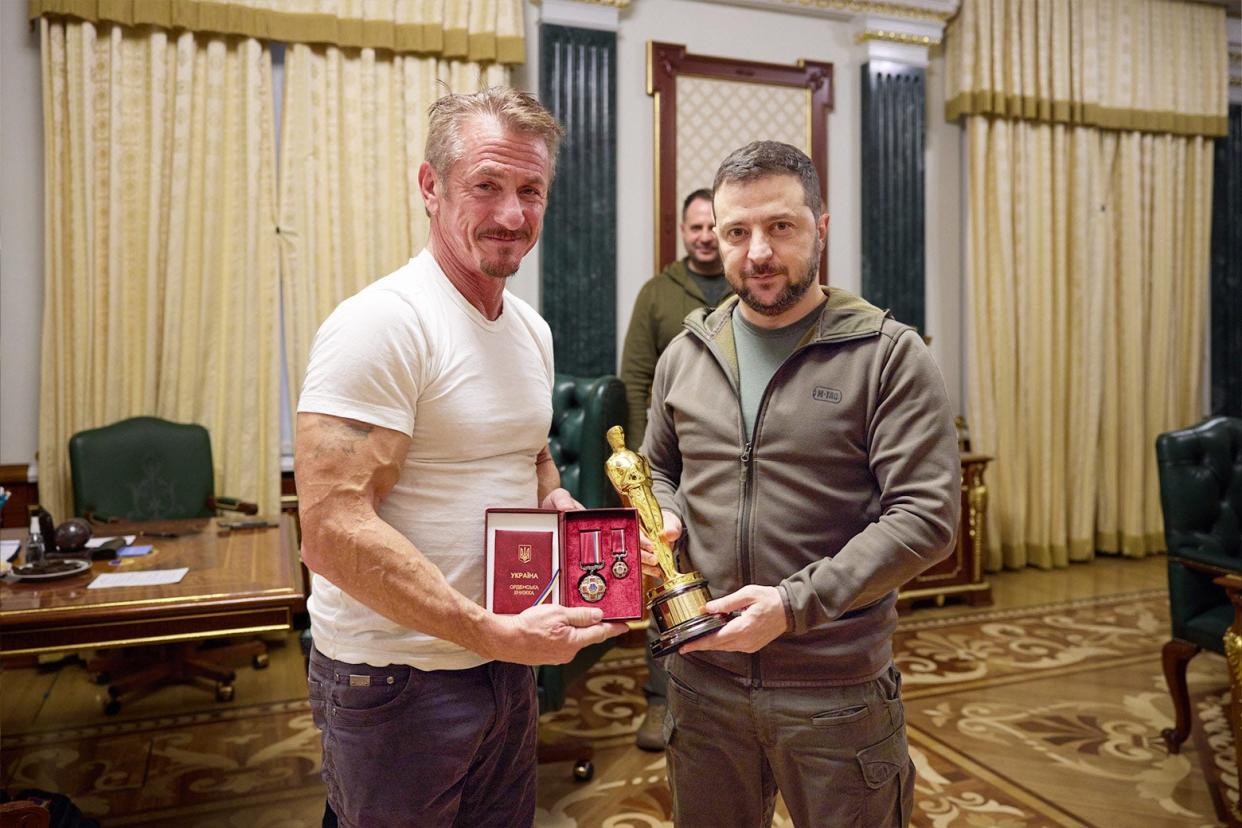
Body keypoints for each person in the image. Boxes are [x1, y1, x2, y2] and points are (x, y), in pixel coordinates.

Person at [294, 87, 626, 828]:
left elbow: (528, 453)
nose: (512, 215)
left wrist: (559, 508)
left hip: (505, 664)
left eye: (530, 190)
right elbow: (331, 530)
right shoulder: (381, 323)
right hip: (395, 679)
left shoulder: (529, 331)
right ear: (430, 186)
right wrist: (488, 630)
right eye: (486, 186)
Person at [641, 141, 960, 827]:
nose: (757, 252)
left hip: (834, 695)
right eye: (737, 232)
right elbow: (658, 467)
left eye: (779, 227)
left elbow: (926, 517)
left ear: (820, 226)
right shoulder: (686, 353)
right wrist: (663, 515)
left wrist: (792, 605)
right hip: (702, 685)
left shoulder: (888, 355)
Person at [619, 187, 730, 751]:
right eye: (696, 228)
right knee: (665, 575)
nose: (705, 237)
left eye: (714, 226)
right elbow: (635, 378)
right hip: (667, 467)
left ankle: (727, 691)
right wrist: (644, 465)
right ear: (683, 232)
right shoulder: (657, 294)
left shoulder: (749, 285)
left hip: (731, 467)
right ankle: (661, 700)